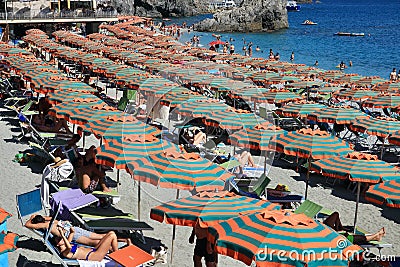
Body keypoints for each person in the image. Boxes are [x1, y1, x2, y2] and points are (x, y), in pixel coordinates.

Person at [25, 214, 131, 247]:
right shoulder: (53, 221)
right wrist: (36, 216)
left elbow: (27, 225)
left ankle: (118, 244)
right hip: (75, 228)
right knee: (100, 236)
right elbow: (46, 218)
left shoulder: (46, 225)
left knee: (94, 243)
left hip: (72, 234)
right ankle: (123, 240)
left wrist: (31, 219)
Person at [54, 227, 119, 261]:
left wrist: (67, 227)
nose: (62, 239)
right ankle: (118, 257)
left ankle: (117, 255)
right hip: (94, 256)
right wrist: (62, 235)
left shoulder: (67, 243)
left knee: (111, 233)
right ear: (57, 244)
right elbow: (69, 247)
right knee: (112, 235)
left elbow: (72, 232)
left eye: (61, 238)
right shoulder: (64, 252)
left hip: (94, 250)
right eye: (59, 239)